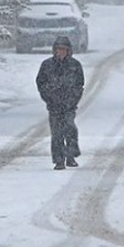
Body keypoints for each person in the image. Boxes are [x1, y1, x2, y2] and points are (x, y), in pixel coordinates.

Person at [36, 36, 85, 170]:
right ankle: (59, 160)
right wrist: (48, 97)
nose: (61, 52)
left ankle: (70, 155)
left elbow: (79, 84)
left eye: (64, 49)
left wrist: (73, 99)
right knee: (57, 133)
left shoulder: (75, 65)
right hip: (53, 105)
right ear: (55, 50)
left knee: (70, 128)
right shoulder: (47, 66)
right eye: (59, 49)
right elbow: (40, 83)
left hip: (69, 105)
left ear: (69, 51)